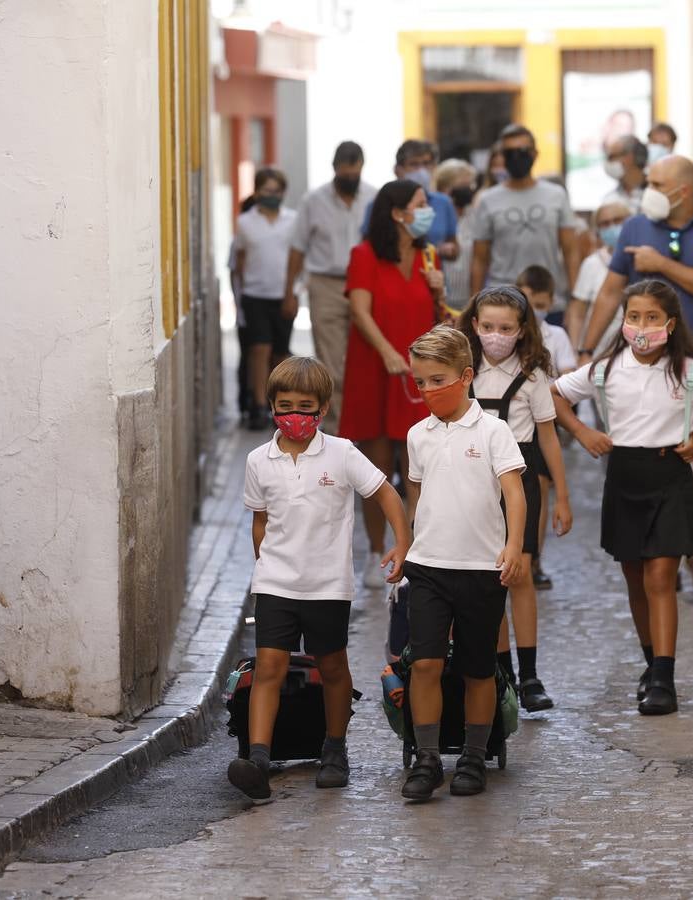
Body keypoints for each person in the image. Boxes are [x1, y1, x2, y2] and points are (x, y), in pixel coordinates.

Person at [552, 279, 693, 715]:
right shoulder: (605, 370)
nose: (642, 327)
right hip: (623, 476)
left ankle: (664, 677)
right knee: (636, 580)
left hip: (670, 476)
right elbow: (555, 395)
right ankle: (650, 663)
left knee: (661, 576)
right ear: (623, 322)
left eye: (652, 318)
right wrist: (584, 432)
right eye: (634, 317)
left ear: (670, 323)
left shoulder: (691, 371)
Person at [229, 357, 412, 800]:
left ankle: (335, 749)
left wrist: (403, 542)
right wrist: (265, 564)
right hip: (275, 584)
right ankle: (258, 756)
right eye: (285, 405)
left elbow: (387, 493)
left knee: (333, 668)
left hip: (328, 585)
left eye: (305, 406)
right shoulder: (259, 460)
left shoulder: (343, 452)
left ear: (323, 409)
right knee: (269, 666)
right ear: (272, 406)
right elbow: (260, 520)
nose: (295, 415)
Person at [578, 154, 693, 590]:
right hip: (641, 364)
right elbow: (612, 291)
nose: (646, 190)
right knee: (651, 456)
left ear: (682, 191)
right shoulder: (634, 228)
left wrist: (661, 264)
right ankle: (663, 549)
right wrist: (586, 348)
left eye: (655, 183)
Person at [400, 325, 528, 800]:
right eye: (421, 382)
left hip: (480, 568)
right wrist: (409, 545)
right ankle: (428, 757)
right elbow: (419, 494)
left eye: (439, 379)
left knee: (478, 668)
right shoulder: (418, 435)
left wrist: (513, 547)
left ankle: (474, 755)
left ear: (466, 376)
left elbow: (514, 494)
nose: (429, 390)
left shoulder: (494, 430)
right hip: (429, 567)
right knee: (425, 664)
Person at [458, 286, 571, 712]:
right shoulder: (462, 368)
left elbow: (548, 438)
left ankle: (530, 676)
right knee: (488, 579)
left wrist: (561, 495)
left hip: (519, 478)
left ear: (522, 331)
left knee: (519, 574)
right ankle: (501, 673)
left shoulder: (535, 375)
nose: (496, 335)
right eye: (488, 327)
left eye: (505, 328)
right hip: (470, 479)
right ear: (474, 325)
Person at [339, 180, 443, 588]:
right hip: (375, 366)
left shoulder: (426, 256)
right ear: (398, 213)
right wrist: (385, 351)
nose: (427, 210)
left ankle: (415, 548)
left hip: (417, 373)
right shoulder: (363, 255)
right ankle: (374, 550)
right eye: (420, 204)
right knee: (375, 467)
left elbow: (439, 317)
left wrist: (441, 290)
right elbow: (360, 311)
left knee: (418, 463)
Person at [286, 141, 378, 433]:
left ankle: (364, 427)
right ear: (335, 169)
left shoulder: (373, 198)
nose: (350, 178)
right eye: (345, 173)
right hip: (326, 284)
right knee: (331, 364)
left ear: (362, 168)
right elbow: (298, 248)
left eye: (355, 173)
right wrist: (289, 290)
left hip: (365, 283)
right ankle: (338, 431)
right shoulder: (313, 201)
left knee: (364, 361)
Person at [470, 124, 581, 326]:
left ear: (534, 154)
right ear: (502, 156)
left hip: (548, 303)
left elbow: (571, 250)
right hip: (502, 304)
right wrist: (475, 304)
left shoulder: (556, 195)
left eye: (522, 152)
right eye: (509, 153)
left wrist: (575, 298)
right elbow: (479, 258)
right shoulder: (488, 200)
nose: (516, 158)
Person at [513, 266, 574, 594]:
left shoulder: (557, 336)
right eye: (528, 300)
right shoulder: (510, 333)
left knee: (537, 488)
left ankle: (532, 556)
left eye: (541, 302)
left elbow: (567, 375)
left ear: (550, 302)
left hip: (543, 419)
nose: (535, 307)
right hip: (515, 420)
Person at [234, 169, 298, 430]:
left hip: (284, 294)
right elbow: (239, 259)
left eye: (276, 191)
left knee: (281, 353)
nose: (271, 195)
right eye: (266, 190)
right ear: (257, 191)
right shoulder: (245, 222)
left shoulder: (293, 220)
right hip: (254, 294)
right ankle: (259, 405)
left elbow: (299, 257)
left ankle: (279, 404)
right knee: (259, 348)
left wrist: (293, 292)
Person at [361, 140, 459, 260]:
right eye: (414, 164)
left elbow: (455, 249)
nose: (421, 170)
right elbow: (368, 248)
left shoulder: (444, 203)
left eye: (426, 163)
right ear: (398, 170)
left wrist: (448, 249)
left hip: (433, 275)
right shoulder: (379, 204)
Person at [565, 200, 632, 353]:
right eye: (605, 224)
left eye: (617, 220)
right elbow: (577, 312)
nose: (612, 227)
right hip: (598, 352)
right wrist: (576, 351)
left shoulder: (644, 259)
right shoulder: (591, 264)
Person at [433, 158, 479, 315]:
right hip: (441, 297)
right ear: (445, 187)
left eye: (471, 185)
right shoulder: (432, 214)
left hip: (469, 297)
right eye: (464, 185)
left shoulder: (474, 215)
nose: (469, 189)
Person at [230, 193, 260, 423]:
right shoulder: (239, 239)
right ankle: (246, 402)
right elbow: (235, 273)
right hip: (247, 306)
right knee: (248, 357)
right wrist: (239, 305)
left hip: (249, 305)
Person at [515, 265, 576, 375]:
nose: (532, 312)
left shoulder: (558, 336)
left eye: (539, 306)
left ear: (551, 303)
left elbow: (568, 378)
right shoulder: (507, 334)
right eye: (527, 305)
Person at [601, 135, 650, 211]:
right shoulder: (609, 199)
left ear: (629, 157)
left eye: (611, 157)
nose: (607, 163)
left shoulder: (656, 191)